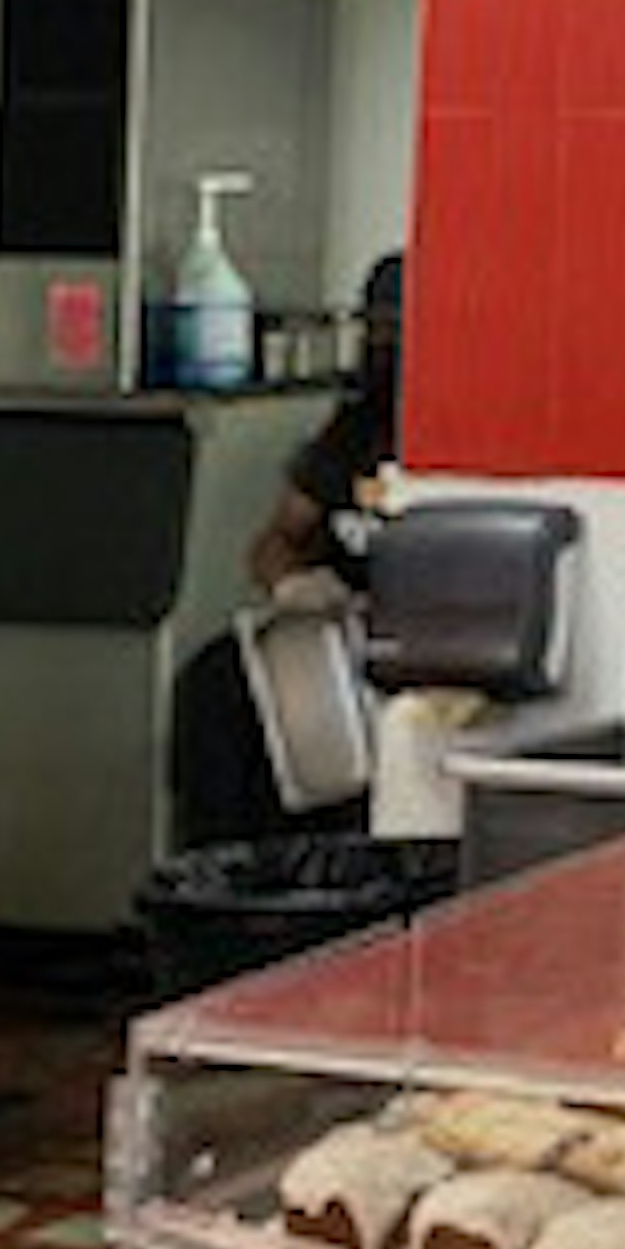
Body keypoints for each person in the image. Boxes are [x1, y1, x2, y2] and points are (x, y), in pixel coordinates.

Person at [166, 253, 407, 851]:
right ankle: (221, 874)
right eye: (374, 328)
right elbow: (275, 541)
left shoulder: (455, 431)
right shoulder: (354, 430)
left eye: (395, 329)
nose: (382, 344)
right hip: (326, 633)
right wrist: (292, 585)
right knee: (215, 683)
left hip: (410, 639)